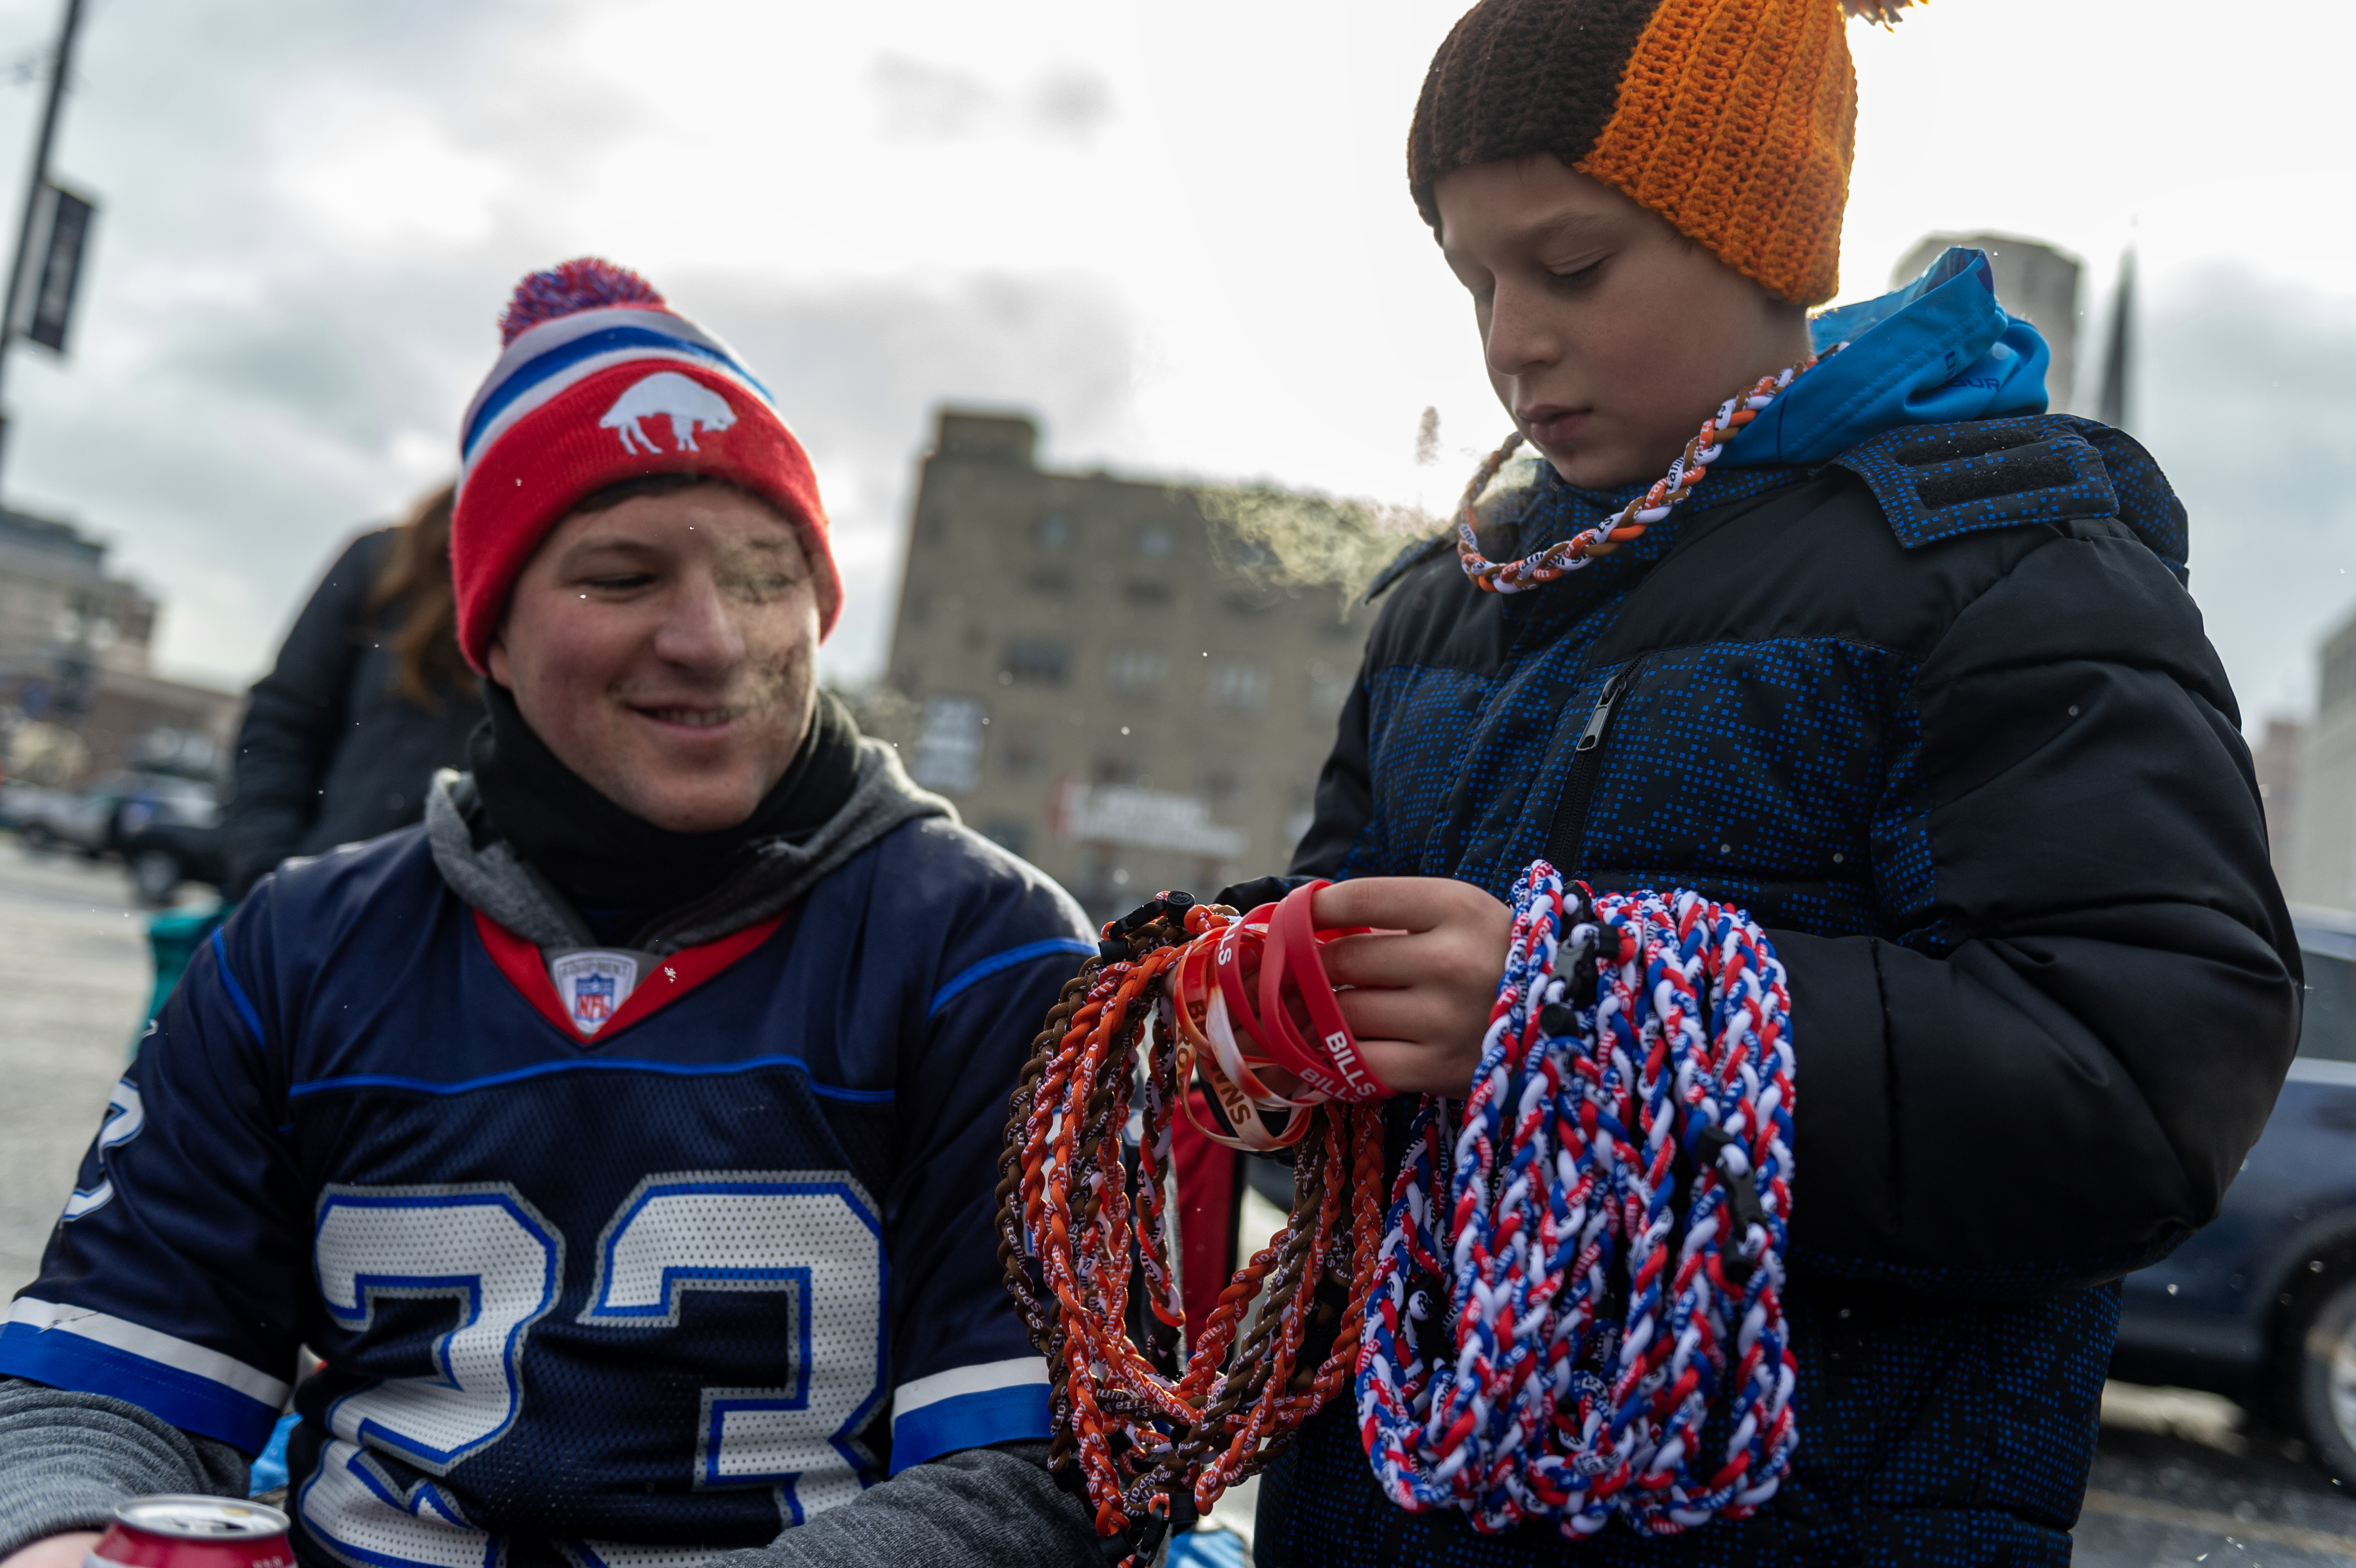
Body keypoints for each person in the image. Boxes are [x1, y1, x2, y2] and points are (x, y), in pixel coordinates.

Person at [1220, 1, 2303, 1562]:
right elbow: (1349, 1024)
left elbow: (2138, 1085)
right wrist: (1265, 1008)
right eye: (1472, 279)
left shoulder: (2003, 577)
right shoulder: (1446, 607)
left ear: (1759, 236)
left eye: (1571, 264)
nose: (1510, 337)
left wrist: (1578, 1012)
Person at [0, 260, 1112, 1568]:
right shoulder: (296, 948)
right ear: (492, 638)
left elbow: (1040, 1475)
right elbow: (107, 1381)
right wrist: (72, 1541)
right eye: (622, 576)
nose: (711, 638)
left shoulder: (990, 956)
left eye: (765, 575)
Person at [224, 483, 485, 900]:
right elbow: (283, 721)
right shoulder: (384, 559)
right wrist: (272, 878)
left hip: (494, 933)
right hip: (333, 905)